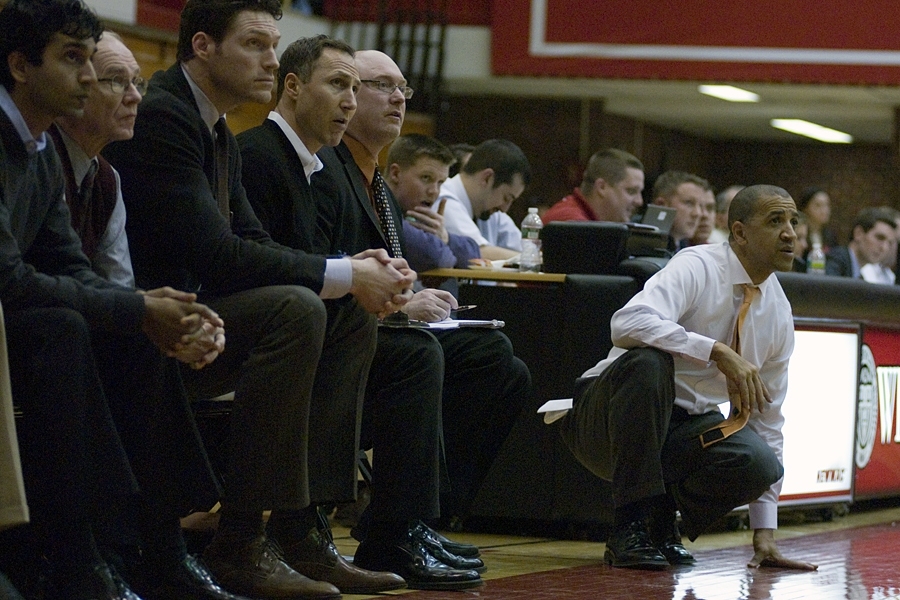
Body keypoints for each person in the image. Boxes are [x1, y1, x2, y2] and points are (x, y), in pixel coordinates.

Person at [103, 3, 415, 598]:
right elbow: (218, 254)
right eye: (255, 44)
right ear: (202, 45)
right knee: (298, 309)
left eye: (275, 45)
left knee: (341, 312)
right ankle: (241, 541)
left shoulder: (214, 123)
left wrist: (353, 274)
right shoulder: (167, 114)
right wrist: (346, 272)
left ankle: (302, 533)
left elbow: (250, 241)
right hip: (144, 328)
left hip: (190, 319)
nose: (271, 60)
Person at [238, 38, 493, 590]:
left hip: (316, 323)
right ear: (293, 85)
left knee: (487, 362)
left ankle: (386, 522)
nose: (351, 101)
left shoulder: (318, 164)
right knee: (414, 356)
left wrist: (369, 273)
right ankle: (325, 525)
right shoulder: (269, 156)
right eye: (343, 85)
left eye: (360, 87)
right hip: (269, 331)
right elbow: (261, 260)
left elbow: (312, 256)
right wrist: (358, 278)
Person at [0, 1, 229, 597]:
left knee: (132, 335)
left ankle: (153, 548)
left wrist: (149, 311)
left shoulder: (40, 147)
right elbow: (9, 279)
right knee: (65, 327)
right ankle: (78, 558)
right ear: (20, 66)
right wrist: (136, 307)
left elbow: (67, 264)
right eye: (73, 59)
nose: (84, 76)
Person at [49, 30, 250, 600]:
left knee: (144, 336)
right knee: (105, 335)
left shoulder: (106, 178)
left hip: (70, 323)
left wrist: (175, 320)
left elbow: (112, 285)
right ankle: (142, 546)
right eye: (116, 80)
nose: (135, 94)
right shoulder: (39, 163)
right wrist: (143, 312)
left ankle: (154, 547)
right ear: (75, 86)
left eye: (137, 81)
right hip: (38, 329)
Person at [557, 185, 818, 572]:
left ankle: (661, 523)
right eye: (776, 220)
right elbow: (626, 322)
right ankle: (630, 527)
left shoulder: (778, 312)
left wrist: (765, 532)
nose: (790, 233)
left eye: (793, 221)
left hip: (680, 432)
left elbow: (768, 420)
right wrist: (714, 350)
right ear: (740, 232)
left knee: (759, 462)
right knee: (649, 363)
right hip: (603, 420)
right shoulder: (697, 264)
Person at [384, 134, 481, 272]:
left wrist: (445, 237)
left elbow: (475, 256)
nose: (434, 191)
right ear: (395, 174)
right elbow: (437, 256)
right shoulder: (379, 206)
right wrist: (440, 249)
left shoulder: (414, 215)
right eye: (426, 178)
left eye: (440, 182)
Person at [438, 139, 532, 260]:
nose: (504, 209)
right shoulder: (443, 198)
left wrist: (534, 258)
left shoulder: (491, 211)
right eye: (506, 198)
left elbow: (526, 250)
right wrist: (532, 259)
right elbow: (478, 254)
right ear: (487, 178)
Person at [542, 148, 644, 224]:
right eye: (631, 191)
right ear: (602, 187)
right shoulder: (572, 222)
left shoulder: (582, 220)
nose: (639, 201)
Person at [826, 206, 898, 282]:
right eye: (879, 238)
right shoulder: (835, 262)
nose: (884, 248)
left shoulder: (859, 275)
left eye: (890, 243)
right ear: (858, 234)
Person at [651, 171, 711, 249]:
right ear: (661, 205)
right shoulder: (634, 241)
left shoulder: (685, 246)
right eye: (689, 203)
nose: (698, 213)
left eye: (700, 206)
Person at [797, 187, 838, 254]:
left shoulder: (830, 236)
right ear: (805, 208)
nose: (825, 210)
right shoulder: (800, 233)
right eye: (818, 205)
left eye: (827, 205)